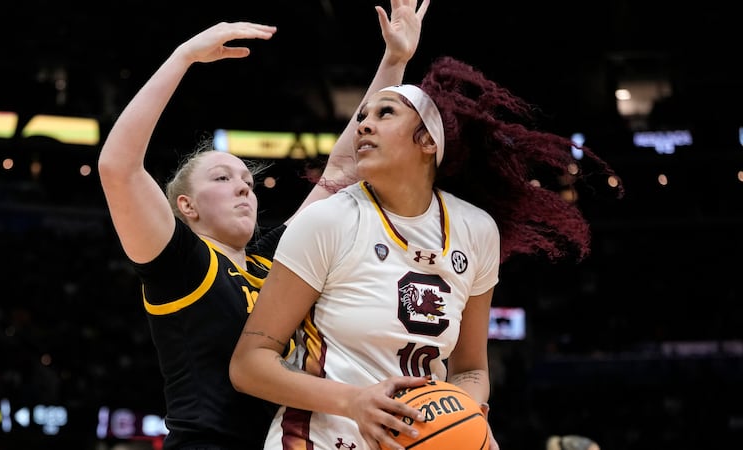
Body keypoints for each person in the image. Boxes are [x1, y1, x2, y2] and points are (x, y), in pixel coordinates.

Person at [229, 53, 623, 450]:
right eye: (363, 116)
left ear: (428, 140)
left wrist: (462, 418)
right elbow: (249, 364)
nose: (364, 124)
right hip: (317, 440)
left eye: (385, 114)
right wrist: (353, 401)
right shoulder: (327, 221)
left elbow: (470, 369)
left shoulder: (476, 230)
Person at [97, 1, 430, 448]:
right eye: (222, 178)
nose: (244, 188)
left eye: (247, 181)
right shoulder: (181, 263)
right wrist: (183, 57)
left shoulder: (269, 264)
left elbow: (345, 170)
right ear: (186, 206)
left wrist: (395, 61)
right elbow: (117, 167)